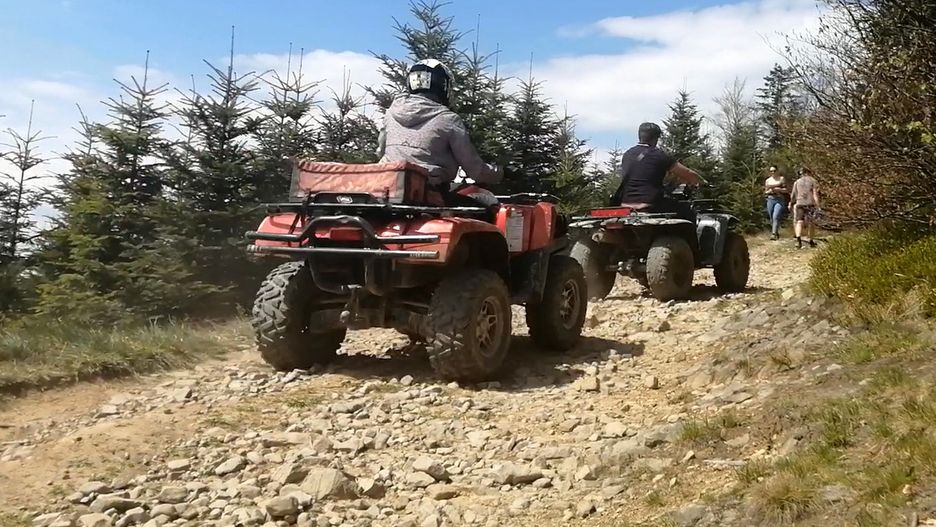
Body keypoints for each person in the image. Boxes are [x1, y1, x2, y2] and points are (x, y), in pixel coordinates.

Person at [376, 59, 502, 207]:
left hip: (387, 193)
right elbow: (475, 170)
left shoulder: (391, 113)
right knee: (489, 206)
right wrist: (501, 172)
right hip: (430, 196)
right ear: (443, 85)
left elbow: (380, 152)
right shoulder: (448, 119)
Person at [611, 122, 702, 222]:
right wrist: (703, 182)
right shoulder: (659, 155)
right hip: (651, 205)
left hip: (625, 206)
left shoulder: (627, 154)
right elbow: (687, 173)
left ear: (639, 136)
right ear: (656, 138)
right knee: (688, 211)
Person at [789, 167, 821, 249]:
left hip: (800, 203)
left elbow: (793, 195)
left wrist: (791, 203)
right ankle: (811, 240)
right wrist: (818, 205)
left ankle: (798, 240)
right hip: (810, 203)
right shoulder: (813, 181)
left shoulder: (797, 182)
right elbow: (815, 194)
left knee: (799, 222)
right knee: (811, 223)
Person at [764, 165, 789, 240]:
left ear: (777, 171)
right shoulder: (768, 180)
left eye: (774, 171)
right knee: (771, 217)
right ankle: (776, 231)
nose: (773, 172)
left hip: (779, 199)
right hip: (770, 199)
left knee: (776, 216)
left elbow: (786, 190)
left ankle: (773, 234)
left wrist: (779, 190)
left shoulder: (781, 179)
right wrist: (769, 191)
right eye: (771, 171)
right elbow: (765, 191)